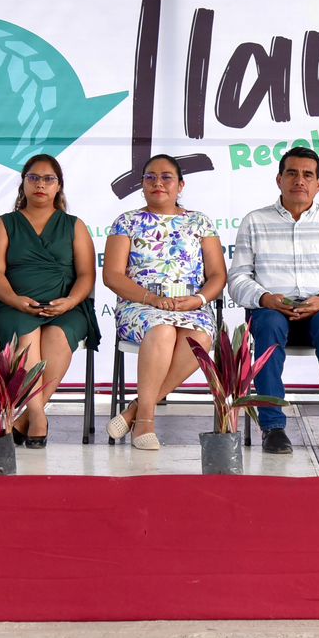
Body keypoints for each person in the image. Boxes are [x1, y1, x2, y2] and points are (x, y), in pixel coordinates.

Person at [228, 146, 319, 455]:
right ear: (279, 180)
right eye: (292, 173)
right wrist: (265, 298)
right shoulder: (255, 221)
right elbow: (238, 279)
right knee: (267, 323)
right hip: (273, 310)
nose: (299, 180)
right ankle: (272, 427)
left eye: (307, 175)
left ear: (318, 184)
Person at [103, 154, 227, 450]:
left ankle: (135, 409)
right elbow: (112, 276)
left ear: (180, 185)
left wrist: (197, 300)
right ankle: (145, 420)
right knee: (162, 331)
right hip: (141, 304)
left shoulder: (199, 222)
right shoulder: (127, 222)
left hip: (190, 305)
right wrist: (152, 299)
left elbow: (217, 275)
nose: (158, 183)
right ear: (142, 184)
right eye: (150, 177)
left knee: (200, 338)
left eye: (166, 177)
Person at [0, 153, 98, 448]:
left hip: (66, 306)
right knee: (27, 334)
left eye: (48, 179)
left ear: (59, 186)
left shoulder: (74, 225)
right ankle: (37, 416)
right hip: (14, 304)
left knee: (58, 336)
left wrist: (70, 302)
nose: (40, 184)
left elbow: (87, 275)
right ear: (23, 183)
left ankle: (26, 418)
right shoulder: (5, 223)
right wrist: (15, 300)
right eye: (33, 178)